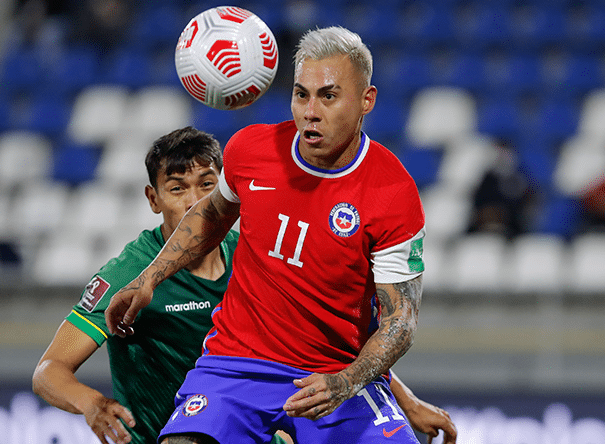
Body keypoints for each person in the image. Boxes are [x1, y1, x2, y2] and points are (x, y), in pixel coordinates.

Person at [106, 27, 444, 443]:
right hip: (237, 365)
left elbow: (400, 322)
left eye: (329, 96)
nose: (310, 112)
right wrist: (150, 277)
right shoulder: (251, 150)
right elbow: (210, 216)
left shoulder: (393, 193)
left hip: (333, 373)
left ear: (366, 101)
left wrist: (347, 381)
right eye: (301, 94)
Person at [34, 127, 457, 444]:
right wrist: (93, 404)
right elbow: (48, 371)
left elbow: (330, 336)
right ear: (152, 198)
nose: (193, 201)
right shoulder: (131, 275)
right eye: (177, 188)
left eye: (206, 185)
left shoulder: (256, 250)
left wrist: (403, 397)